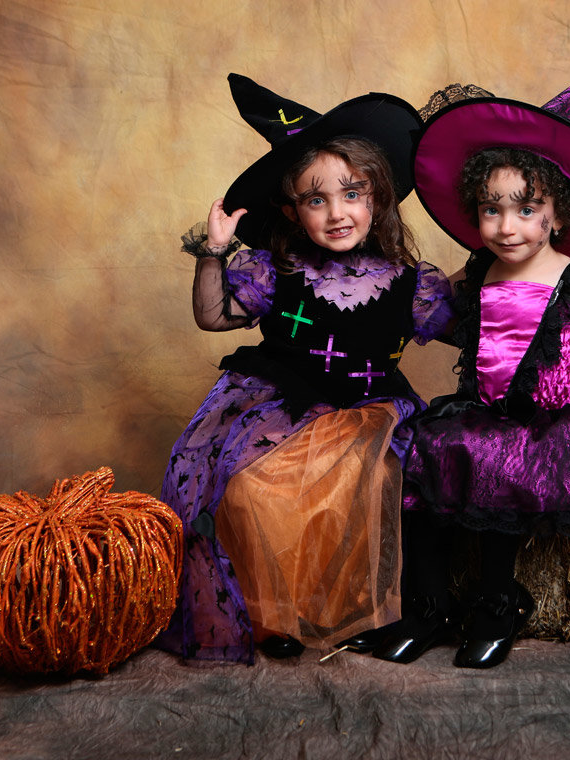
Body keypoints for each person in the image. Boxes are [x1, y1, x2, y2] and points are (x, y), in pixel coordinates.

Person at [369, 73, 570, 669]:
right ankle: (428, 607)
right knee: (422, 459)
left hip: (546, 423)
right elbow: (430, 312)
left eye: (527, 210)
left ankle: (496, 606)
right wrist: (376, 287)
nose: (507, 227)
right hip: (481, 410)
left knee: (499, 468)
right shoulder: (481, 269)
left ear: (557, 214)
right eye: (492, 210)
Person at [155, 74, 452, 665]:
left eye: (352, 194)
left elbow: (473, 325)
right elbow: (212, 317)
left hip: (368, 409)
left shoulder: (410, 283)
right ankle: (274, 614)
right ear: (293, 212)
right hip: (284, 404)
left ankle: (348, 610)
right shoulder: (277, 269)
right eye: (317, 200)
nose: (337, 213)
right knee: (252, 490)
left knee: (363, 482)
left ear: (377, 198)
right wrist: (213, 252)